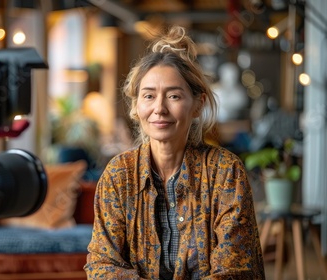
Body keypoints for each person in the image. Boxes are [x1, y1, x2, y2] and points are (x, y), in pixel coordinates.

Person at [84, 26, 265, 279]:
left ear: (198, 105)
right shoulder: (119, 174)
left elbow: (234, 270)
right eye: (148, 96)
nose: (159, 108)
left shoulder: (225, 172)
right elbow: (102, 264)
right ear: (136, 107)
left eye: (174, 96)